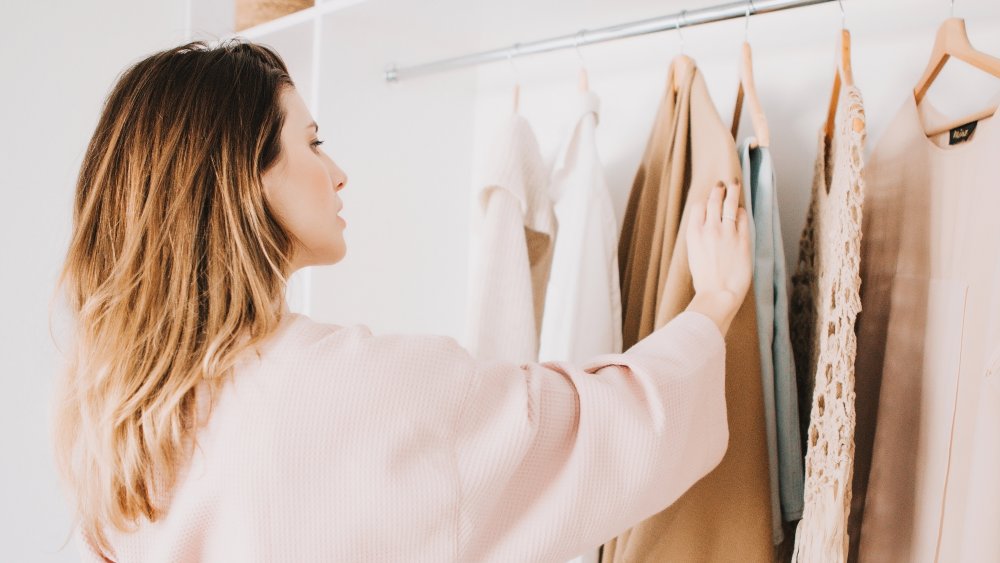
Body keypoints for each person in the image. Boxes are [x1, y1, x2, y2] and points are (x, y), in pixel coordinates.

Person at [52, 38, 752, 563]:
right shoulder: (367, 389)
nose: (337, 171)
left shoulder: (120, 416)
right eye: (313, 142)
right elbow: (599, 432)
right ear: (243, 180)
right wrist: (713, 302)